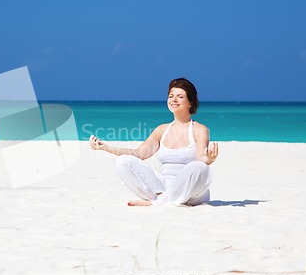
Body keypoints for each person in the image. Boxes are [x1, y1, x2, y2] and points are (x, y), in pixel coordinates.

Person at [89, 78, 218, 206]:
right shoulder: (161, 130)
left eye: (180, 97)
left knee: (200, 167)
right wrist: (106, 148)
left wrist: (210, 159)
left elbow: (201, 158)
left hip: (192, 193)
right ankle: (163, 199)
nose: (173, 100)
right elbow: (139, 154)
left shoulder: (200, 130)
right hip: (163, 189)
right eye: (171, 96)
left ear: (190, 102)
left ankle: (156, 203)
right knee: (123, 161)